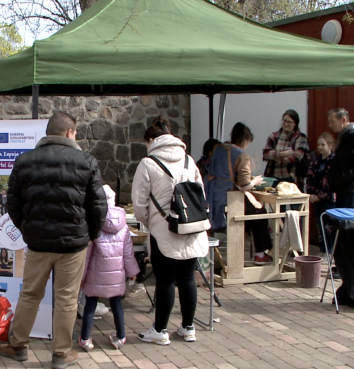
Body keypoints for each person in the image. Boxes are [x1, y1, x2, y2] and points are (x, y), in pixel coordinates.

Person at [0, 111, 107, 369]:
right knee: (67, 299)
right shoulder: (86, 161)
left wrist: (27, 229)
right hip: (73, 245)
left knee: (30, 294)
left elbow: (12, 203)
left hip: (38, 243)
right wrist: (89, 235)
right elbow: (98, 207)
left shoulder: (24, 161)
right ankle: (61, 353)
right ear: (70, 133)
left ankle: (18, 345)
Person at [132, 117, 208, 345]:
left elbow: (139, 204)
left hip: (163, 229)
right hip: (191, 227)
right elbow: (199, 193)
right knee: (187, 278)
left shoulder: (148, 163)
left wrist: (150, 222)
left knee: (165, 280)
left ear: (152, 140)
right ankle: (188, 327)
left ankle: (160, 329)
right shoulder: (188, 160)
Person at [79, 185, 139, 351]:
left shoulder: (93, 225)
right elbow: (128, 253)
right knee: (116, 304)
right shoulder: (124, 226)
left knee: (90, 303)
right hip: (117, 275)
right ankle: (120, 337)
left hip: (95, 275)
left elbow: (87, 255)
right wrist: (133, 272)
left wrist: (80, 276)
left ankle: (85, 339)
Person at [206, 123, 272, 265]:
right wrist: (257, 181)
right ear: (245, 140)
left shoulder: (218, 148)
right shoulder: (241, 155)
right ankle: (260, 254)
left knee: (251, 211)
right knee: (260, 212)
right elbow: (245, 185)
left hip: (211, 197)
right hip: (227, 199)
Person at [327, 108, 354, 209]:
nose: (330, 125)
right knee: (341, 222)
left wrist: (344, 177)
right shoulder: (342, 137)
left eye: (332, 121)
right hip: (342, 189)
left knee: (349, 222)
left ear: (343, 120)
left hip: (351, 189)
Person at [262, 110, 310, 189]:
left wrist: (276, 158)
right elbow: (266, 154)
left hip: (292, 178)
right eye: (284, 121)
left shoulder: (301, 137)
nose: (286, 124)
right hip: (274, 178)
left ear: (295, 123)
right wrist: (283, 154)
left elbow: (297, 156)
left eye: (289, 122)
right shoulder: (274, 136)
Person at [306, 133, 336, 252]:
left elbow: (331, 181)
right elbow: (309, 178)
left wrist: (320, 196)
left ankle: (330, 250)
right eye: (318, 145)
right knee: (320, 225)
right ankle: (323, 249)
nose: (320, 147)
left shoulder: (333, 161)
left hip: (329, 199)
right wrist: (311, 194)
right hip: (316, 199)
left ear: (330, 145)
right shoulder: (315, 161)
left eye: (323, 144)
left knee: (330, 225)